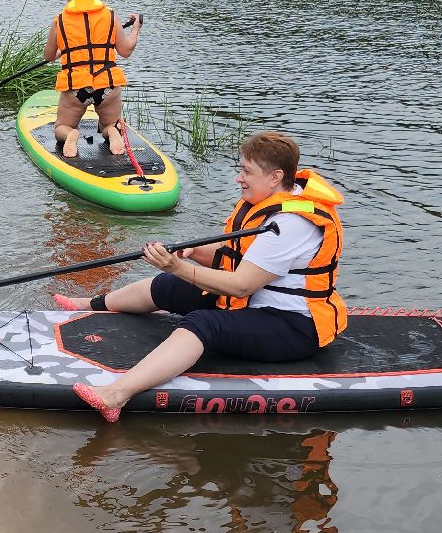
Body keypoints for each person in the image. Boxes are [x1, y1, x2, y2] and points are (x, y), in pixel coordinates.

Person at [59, 131, 348, 423]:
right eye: (241, 168)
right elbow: (237, 256)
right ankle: (89, 306)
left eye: (247, 171)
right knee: (173, 286)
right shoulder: (275, 197)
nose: (239, 177)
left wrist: (177, 266)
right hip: (257, 302)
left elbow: (241, 285)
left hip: (293, 327)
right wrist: (194, 252)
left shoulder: (289, 225)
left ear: (275, 177)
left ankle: (115, 395)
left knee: (203, 323)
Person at [44, 0, 140, 159]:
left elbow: (48, 56)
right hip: (108, 87)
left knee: (61, 127)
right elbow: (125, 50)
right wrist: (135, 29)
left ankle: (71, 134)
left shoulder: (60, 20)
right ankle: (112, 131)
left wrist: (68, 50)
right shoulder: (111, 15)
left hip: (76, 90)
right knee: (110, 124)